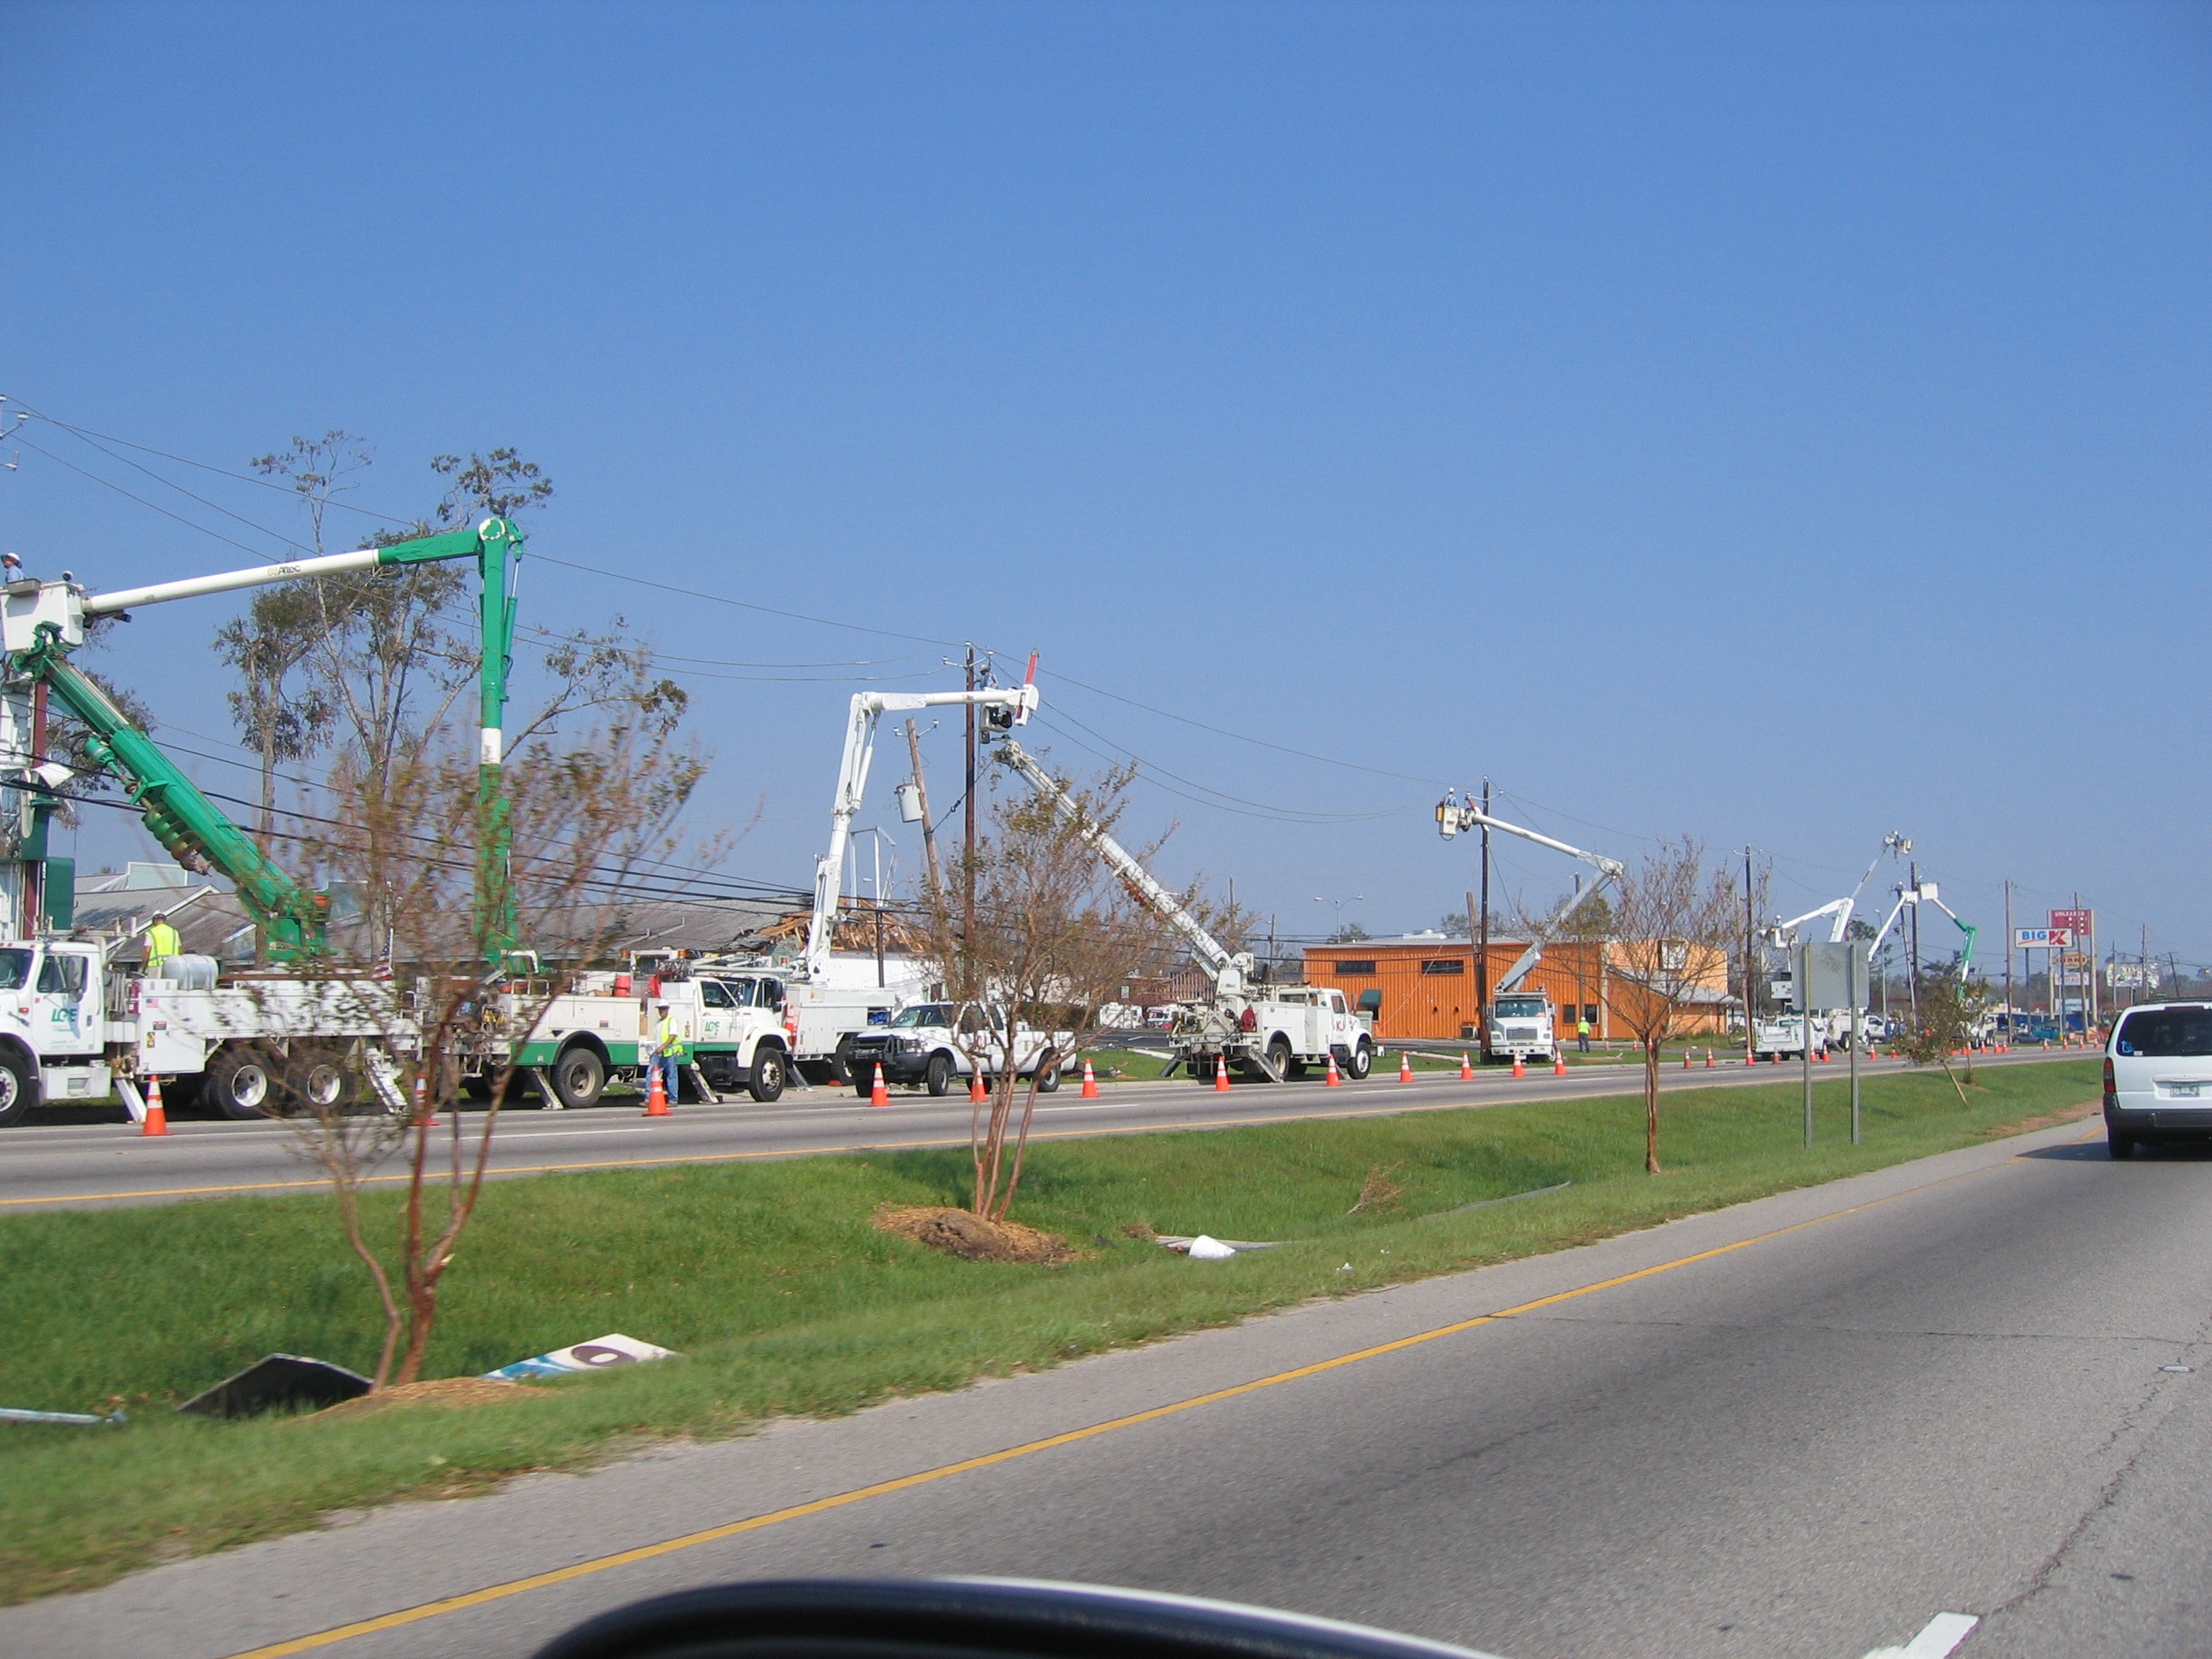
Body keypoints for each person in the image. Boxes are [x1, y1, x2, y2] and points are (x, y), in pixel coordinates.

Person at [651, 1001, 685, 1103]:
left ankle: (673, 1099)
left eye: (663, 1009)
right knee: (652, 1074)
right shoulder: (659, 1022)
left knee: (671, 1076)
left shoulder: (671, 1020)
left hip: (670, 1053)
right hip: (659, 1053)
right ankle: (649, 1099)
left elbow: (673, 1035)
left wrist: (662, 1047)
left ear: (667, 1009)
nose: (661, 1011)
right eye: (660, 1009)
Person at [143, 911, 182, 979]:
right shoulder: (174, 932)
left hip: (155, 965)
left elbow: (147, 950)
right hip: (172, 965)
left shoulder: (151, 932)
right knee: (170, 984)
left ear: (154, 920)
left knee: (155, 984)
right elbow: (179, 949)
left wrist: (143, 965)